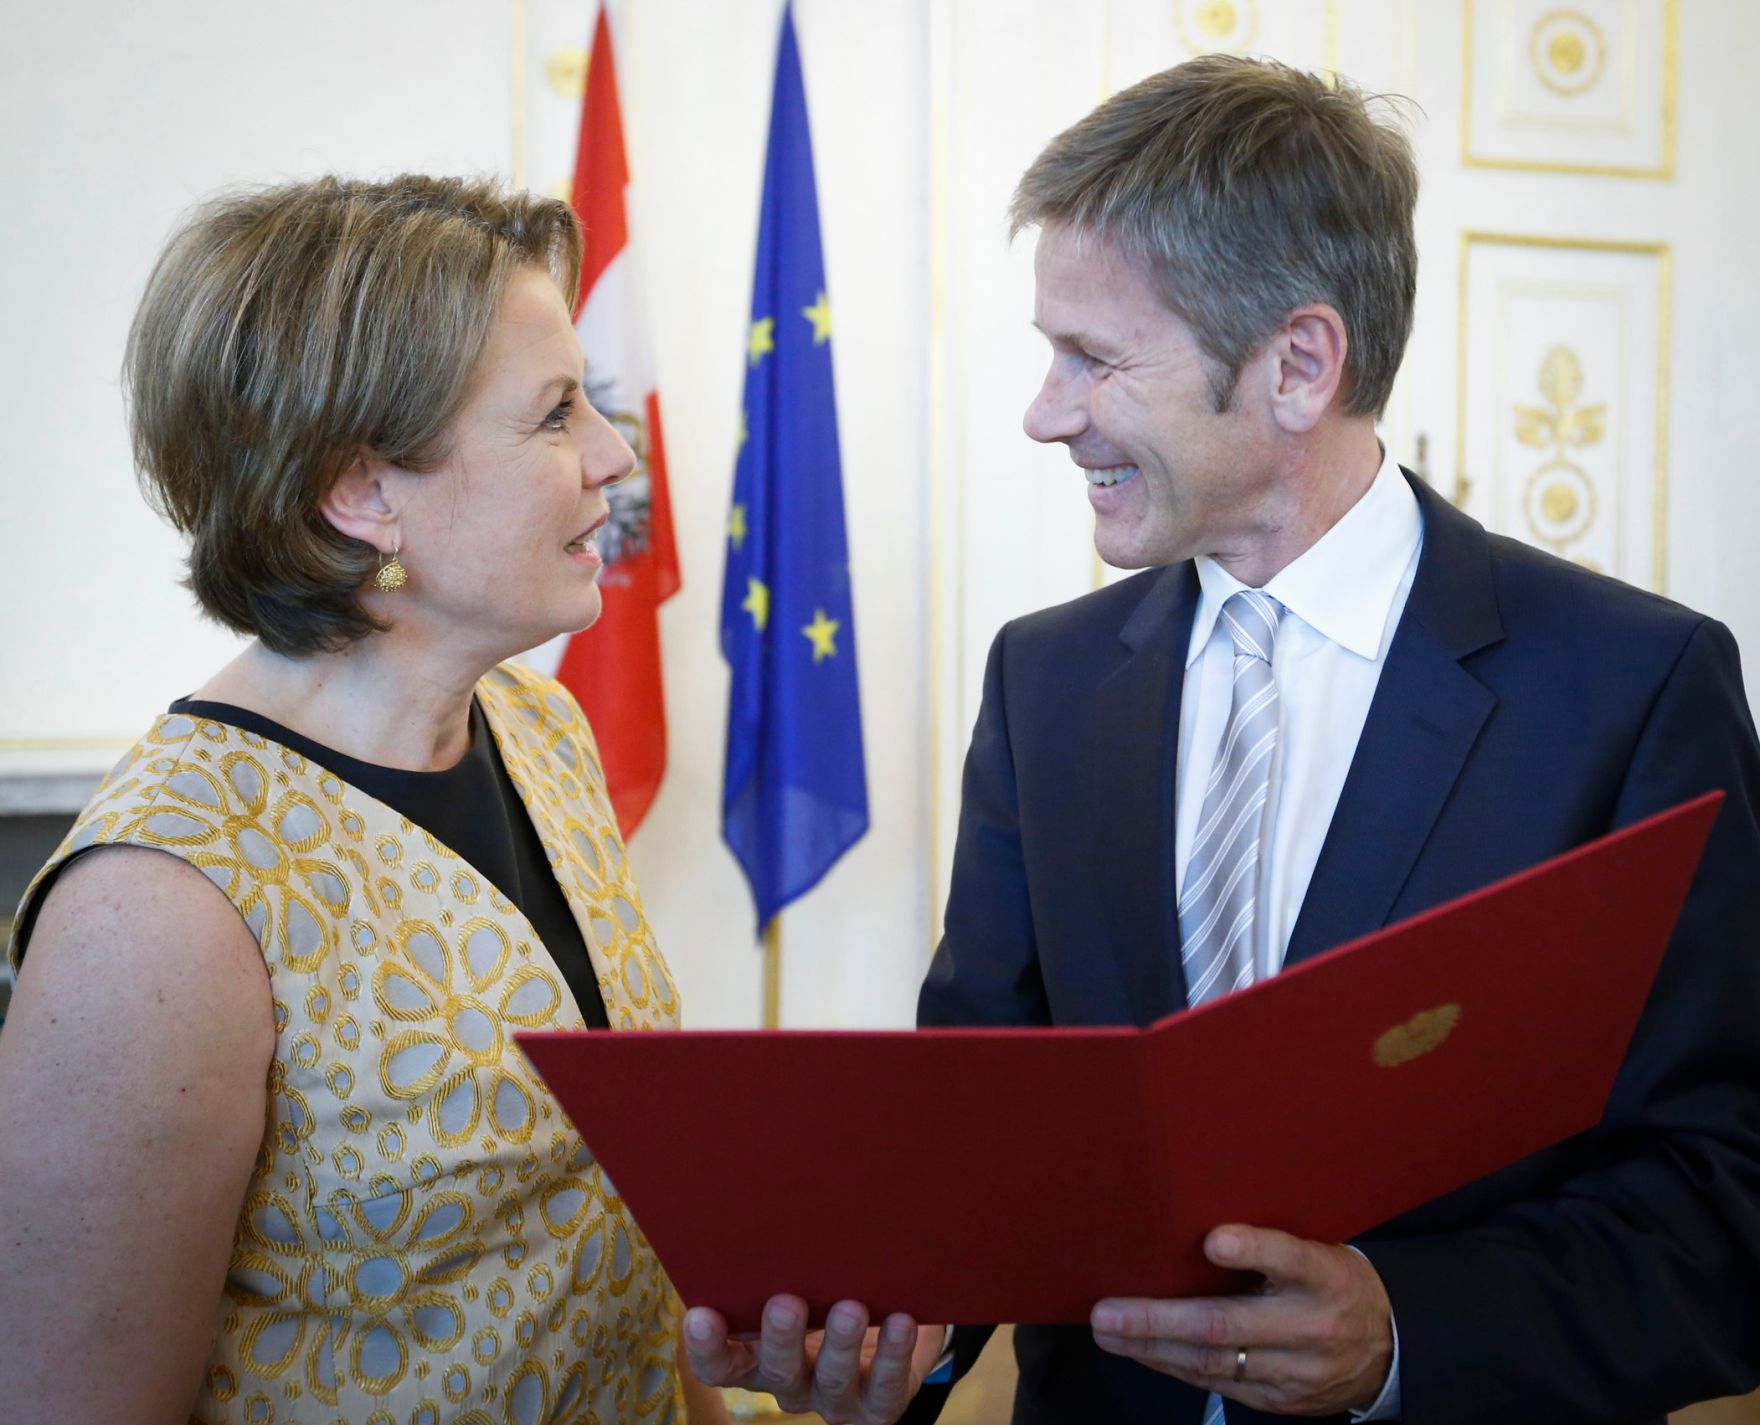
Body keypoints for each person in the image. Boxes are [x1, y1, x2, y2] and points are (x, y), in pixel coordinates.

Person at [686, 54, 1760, 1425]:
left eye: (1094, 357)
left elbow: (1728, 1195)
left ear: (1300, 363)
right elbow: (991, 1143)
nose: (1045, 410)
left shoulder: (1630, 687)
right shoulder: (1045, 685)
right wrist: (897, 1342)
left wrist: (1400, 1334)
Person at [0, 175, 731, 1424]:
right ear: (361, 492)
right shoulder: (158, 906)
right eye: (556, 415)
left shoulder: (537, 731)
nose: (614, 454)